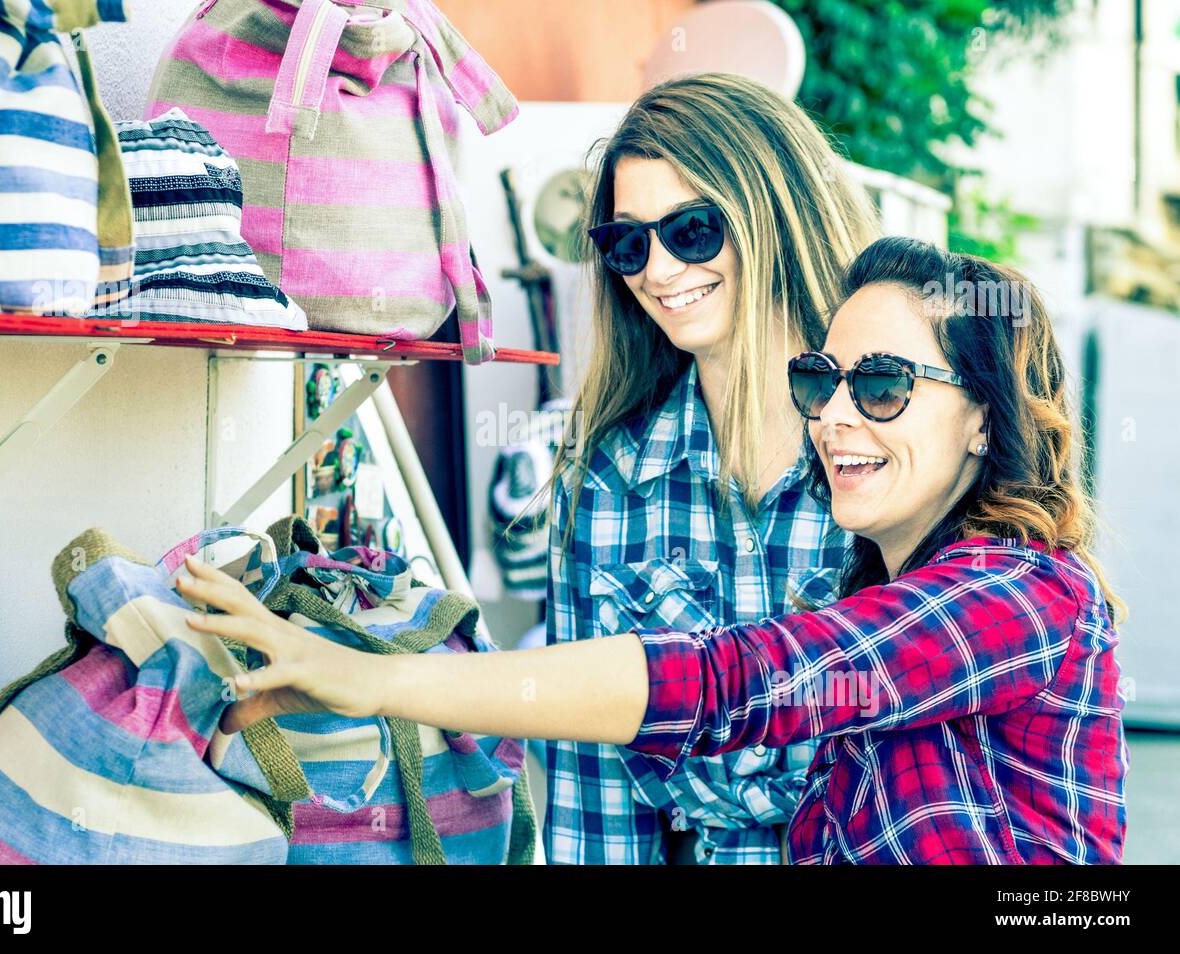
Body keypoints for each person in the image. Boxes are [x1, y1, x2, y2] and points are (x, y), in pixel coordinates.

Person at [178, 237, 1129, 865]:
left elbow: (726, 684)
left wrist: (373, 680)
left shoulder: (1020, 592)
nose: (835, 414)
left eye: (882, 384)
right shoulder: (893, 598)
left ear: (982, 417)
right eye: (822, 378)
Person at [540, 71, 879, 864]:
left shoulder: (895, 447)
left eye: (691, 230)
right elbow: (592, 791)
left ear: (772, 211)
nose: (657, 271)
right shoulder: (604, 482)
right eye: (628, 242)